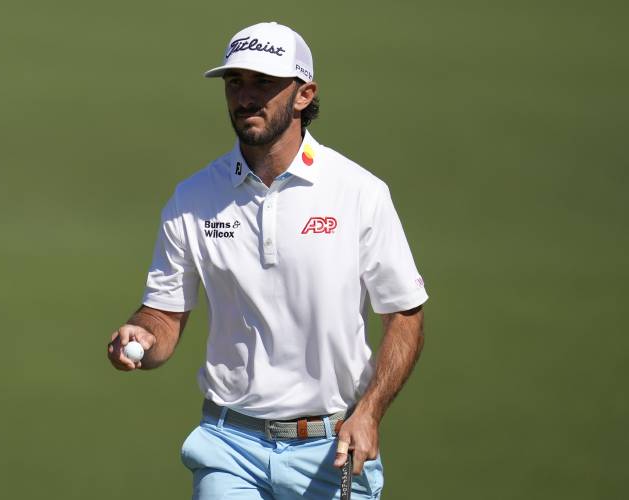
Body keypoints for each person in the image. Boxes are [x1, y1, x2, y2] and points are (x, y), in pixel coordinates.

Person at [107, 21, 428, 499]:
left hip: (332, 446)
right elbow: (163, 314)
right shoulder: (193, 197)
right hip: (228, 444)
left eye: (264, 83)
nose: (245, 97)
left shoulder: (359, 193)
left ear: (304, 95)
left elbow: (404, 313)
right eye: (235, 83)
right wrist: (143, 334)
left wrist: (371, 412)